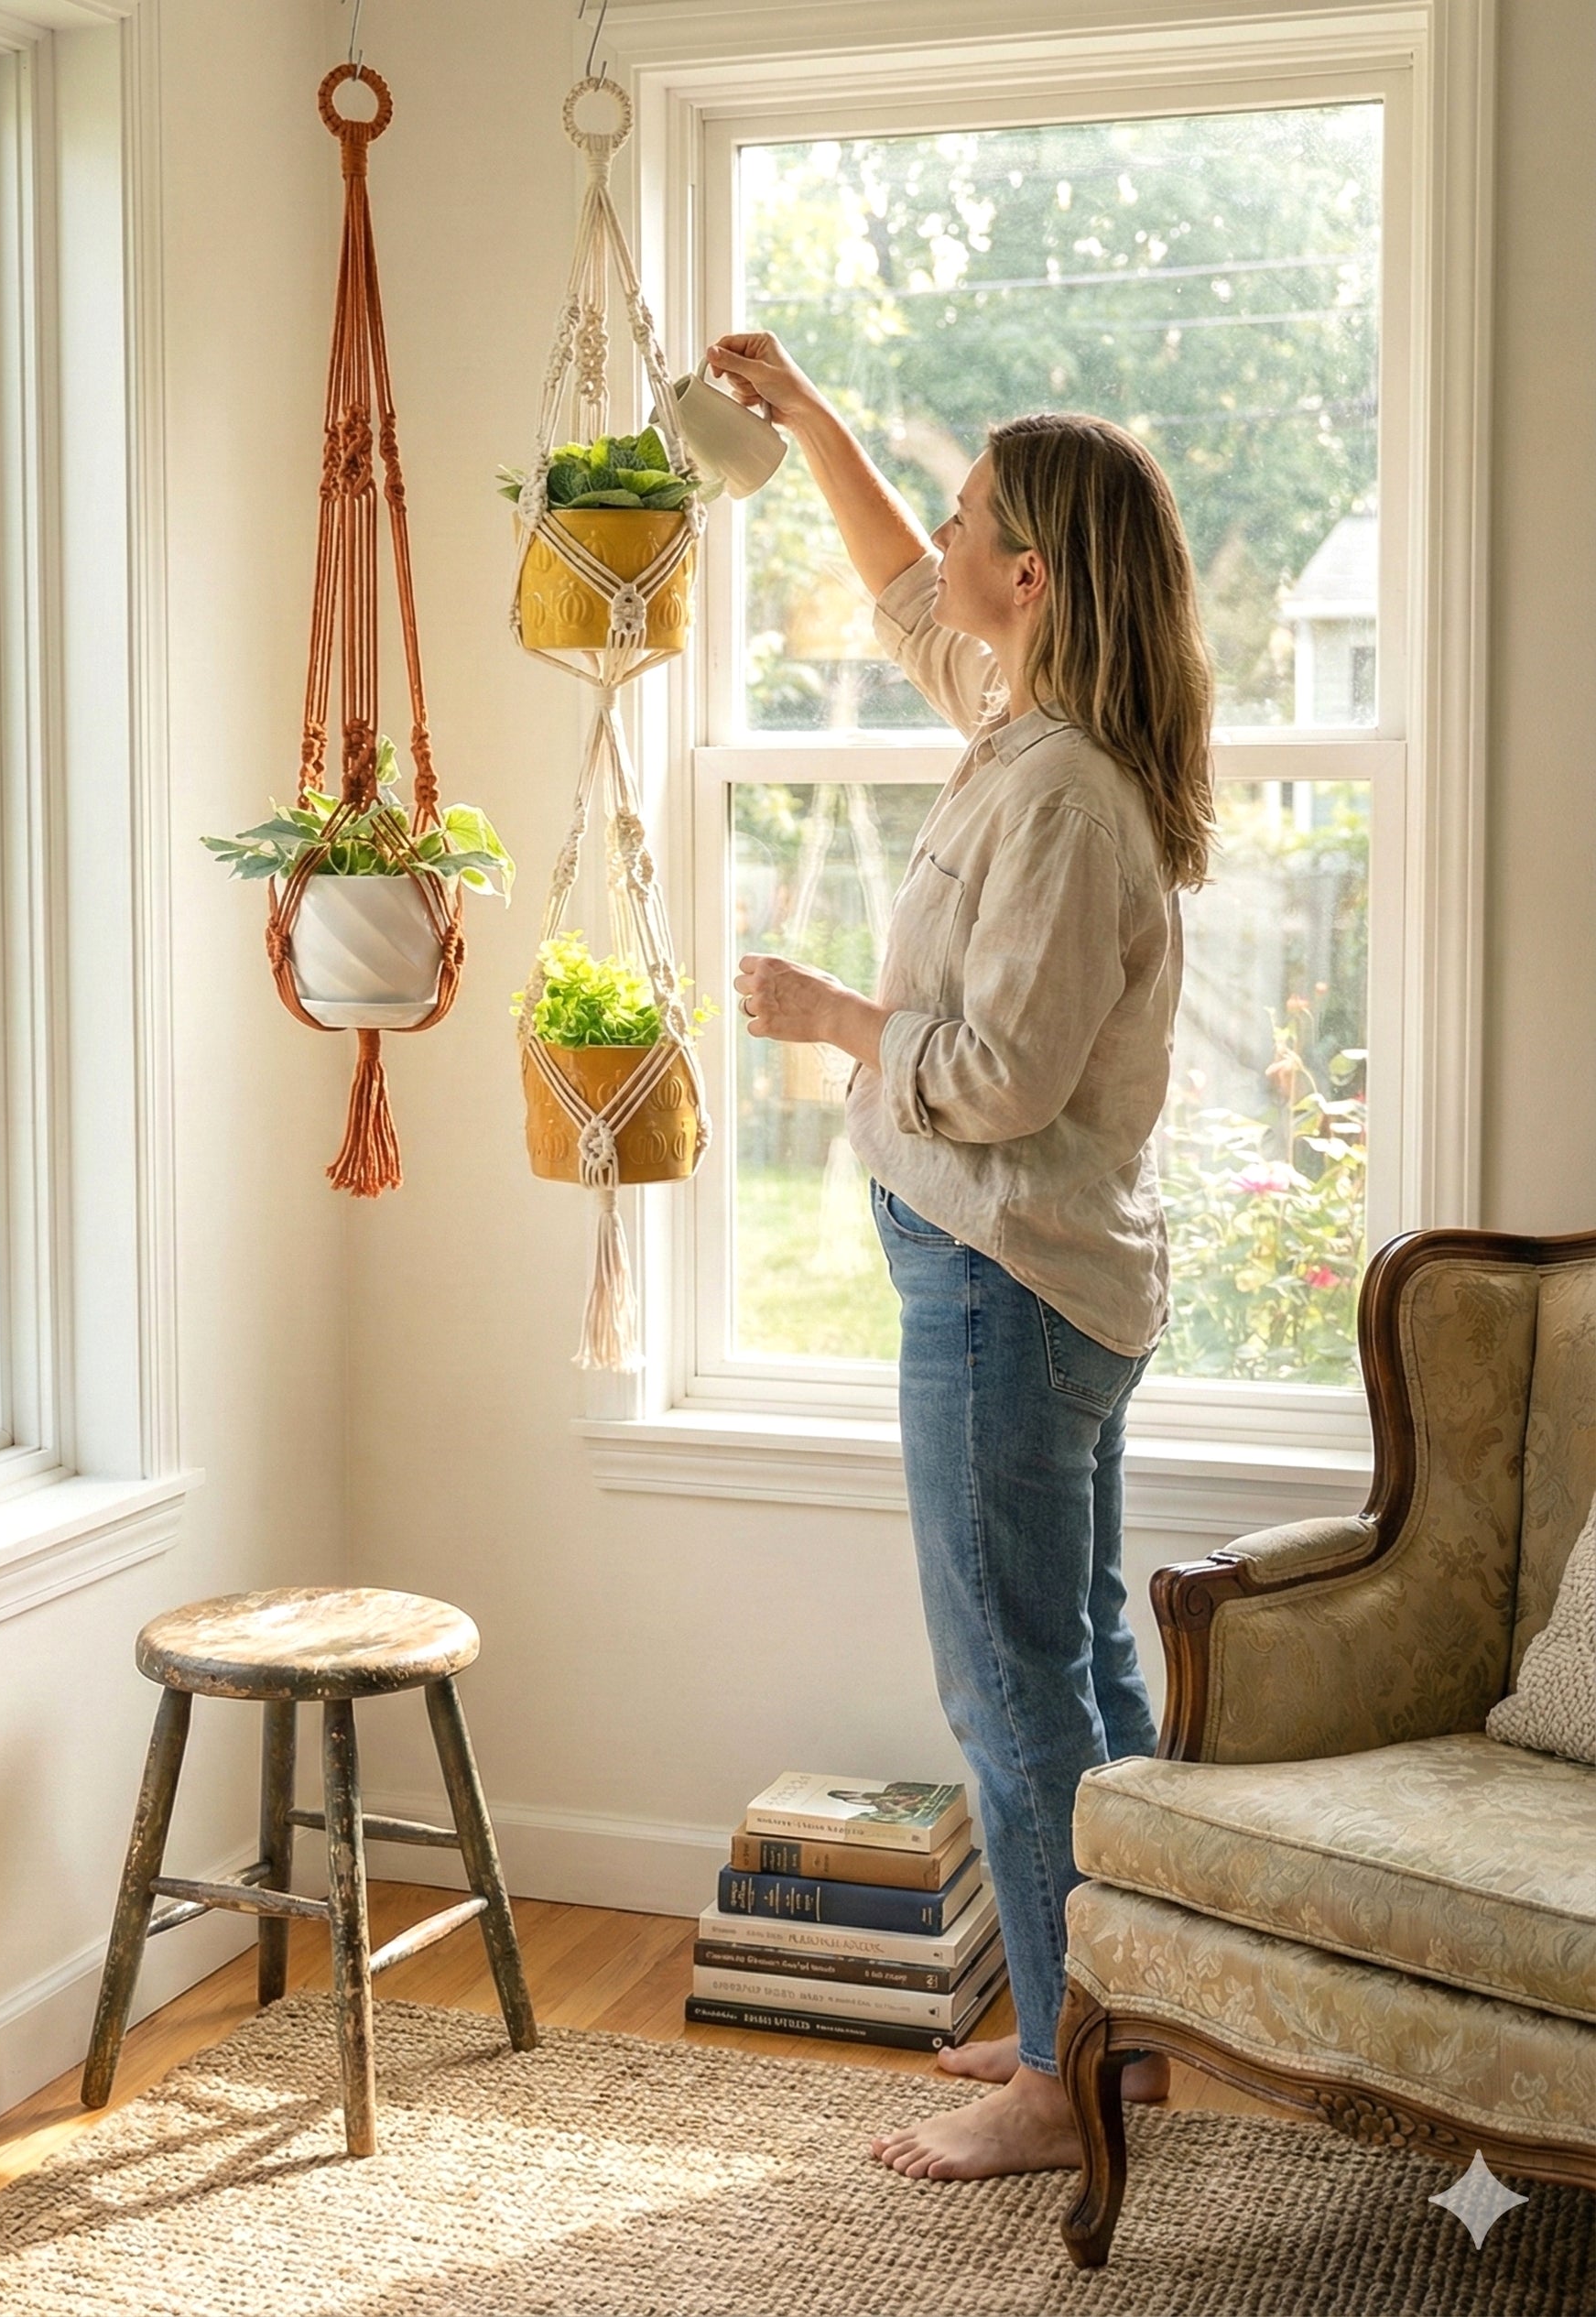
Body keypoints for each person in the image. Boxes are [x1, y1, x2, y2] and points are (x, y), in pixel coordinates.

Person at [711, 330, 1216, 2185]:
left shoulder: (1067, 798)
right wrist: (805, 417)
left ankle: (1052, 2079)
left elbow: (995, 1078)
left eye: (969, 515)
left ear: (1039, 575)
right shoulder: (1025, 735)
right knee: (1073, 1674)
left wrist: (828, 1016)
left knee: (1011, 1693)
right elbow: (894, 583)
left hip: (1005, 1290)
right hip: (1031, 1285)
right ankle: (1113, 2031)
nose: (936, 536)